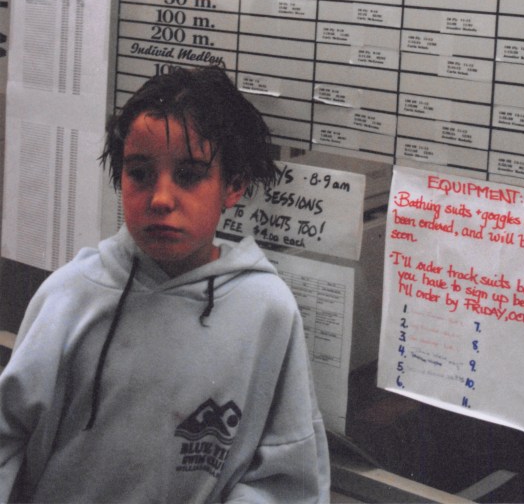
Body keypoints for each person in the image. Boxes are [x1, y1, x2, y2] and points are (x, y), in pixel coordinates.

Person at [0, 66, 330, 503]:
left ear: (233, 185)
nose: (160, 198)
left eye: (189, 175)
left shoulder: (266, 311)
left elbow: (286, 478)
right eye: (140, 173)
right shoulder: (71, 296)